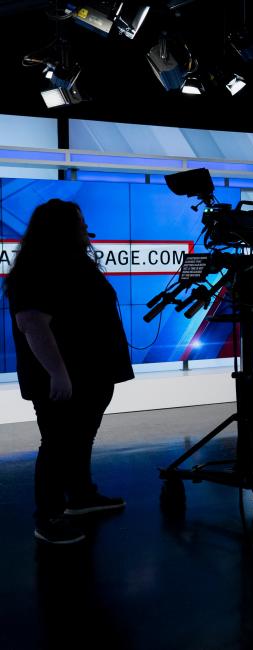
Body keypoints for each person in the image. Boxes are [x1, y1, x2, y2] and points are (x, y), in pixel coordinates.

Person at [4, 199, 134, 545]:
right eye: (78, 222)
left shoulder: (74, 263)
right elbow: (32, 324)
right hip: (63, 378)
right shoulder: (36, 269)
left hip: (92, 374)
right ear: (60, 228)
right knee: (58, 444)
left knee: (79, 439)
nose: (84, 227)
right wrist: (58, 374)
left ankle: (80, 496)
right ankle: (47, 516)